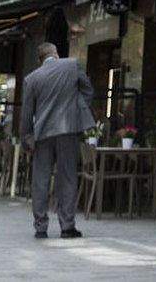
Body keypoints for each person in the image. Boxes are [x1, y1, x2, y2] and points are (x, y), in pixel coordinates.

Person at [20, 41, 94, 239]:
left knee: (41, 180)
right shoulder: (72, 65)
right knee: (68, 177)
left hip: (42, 134)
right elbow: (88, 91)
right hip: (68, 131)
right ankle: (67, 226)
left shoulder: (32, 78)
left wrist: (26, 139)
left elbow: (26, 113)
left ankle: (41, 227)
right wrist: (76, 110)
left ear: (40, 59)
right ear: (56, 53)